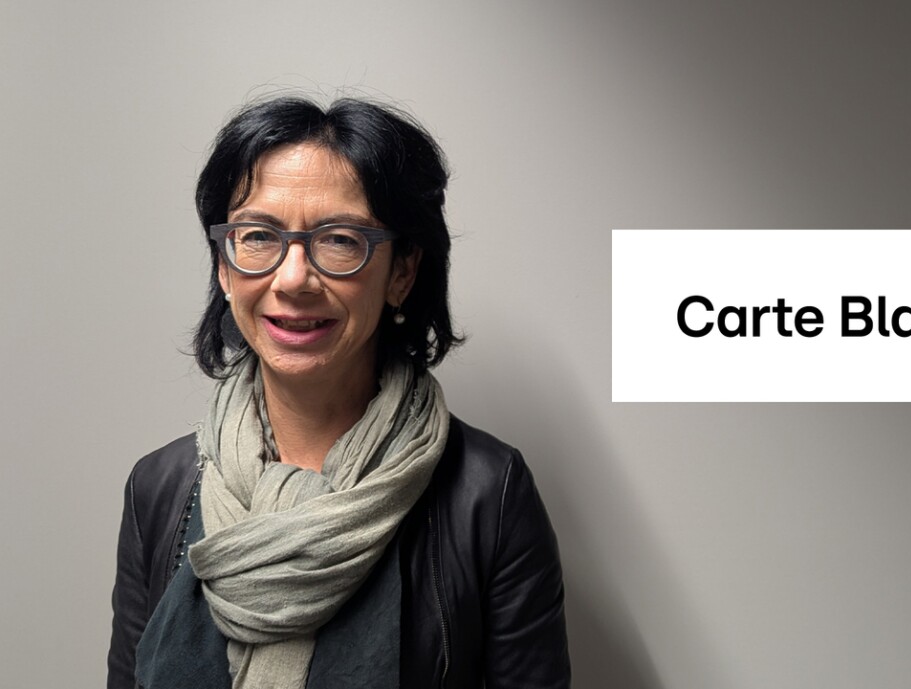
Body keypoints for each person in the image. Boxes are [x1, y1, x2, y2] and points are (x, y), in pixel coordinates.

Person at [107, 96, 570, 689]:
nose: (293, 278)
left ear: (402, 271)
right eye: (258, 236)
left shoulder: (488, 494)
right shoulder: (159, 489)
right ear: (224, 267)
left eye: (341, 240)